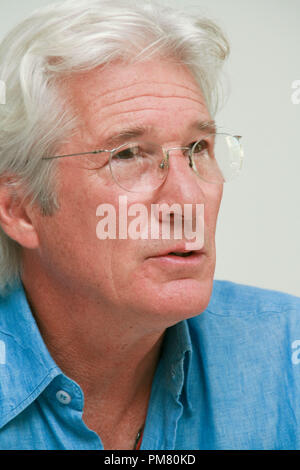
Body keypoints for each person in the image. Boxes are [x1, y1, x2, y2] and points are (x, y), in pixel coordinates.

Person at [0, 0, 299, 451]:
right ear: (21, 209)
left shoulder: (286, 355)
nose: (188, 197)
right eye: (127, 154)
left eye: (198, 147)